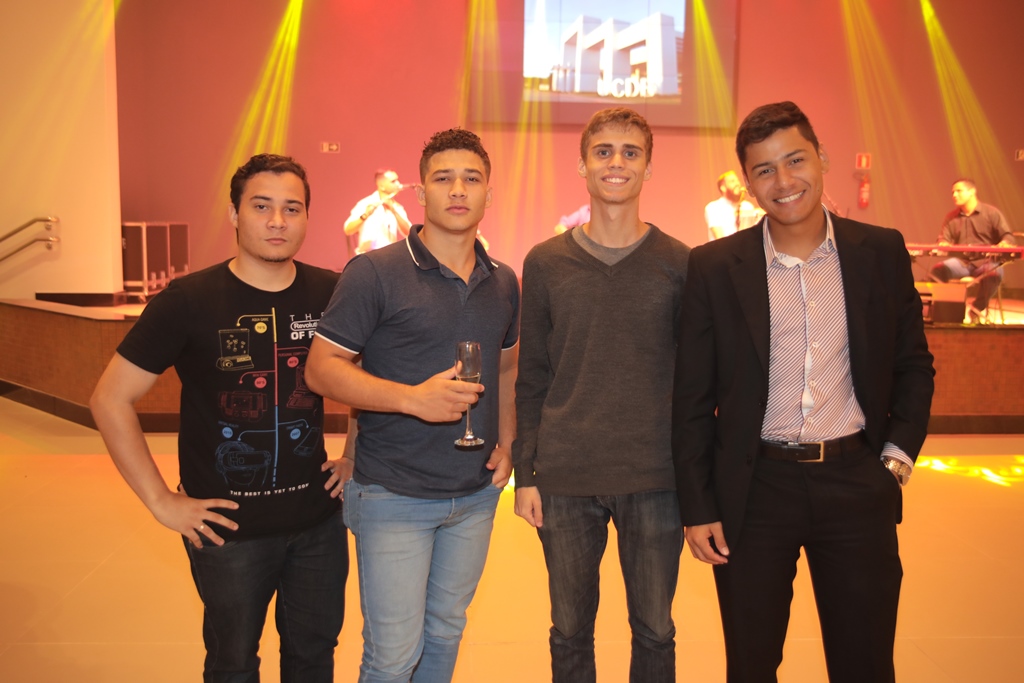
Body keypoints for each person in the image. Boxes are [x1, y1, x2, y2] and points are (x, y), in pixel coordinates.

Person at [672, 101, 935, 683]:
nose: (784, 181)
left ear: (822, 159)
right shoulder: (715, 266)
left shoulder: (880, 251)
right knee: (751, 665)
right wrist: (700, 505)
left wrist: (894, 460)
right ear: (748, 183)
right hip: (755, 491)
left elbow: (913, 364)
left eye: (795, 160)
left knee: (865, 663)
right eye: (764, 169)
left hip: (856, 482)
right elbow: (690, 398)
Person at [89, 153, 349, 682]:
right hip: (228, 531)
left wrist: (356, 454)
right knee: (232, 665)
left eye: (292, 208)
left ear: (307, 217)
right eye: (261, 206)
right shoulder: (189, 300)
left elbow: (368, 373)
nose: (277, 221)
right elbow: (109, 399)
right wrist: (160, 500)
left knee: (313, 660)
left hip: (318, 525)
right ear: (234, 214)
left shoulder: (332, 293)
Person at [305, 128, 519, 682]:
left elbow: (507, 368)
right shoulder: (374, 272)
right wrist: (411, 400)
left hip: (475, 496)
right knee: (394, 655)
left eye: (471, 178)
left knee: (445, 632)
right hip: (393, 494)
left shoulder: (503, 282)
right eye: (443, 178)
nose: (458, 190)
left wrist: (509, 443)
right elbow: (322, 368)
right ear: (421, 193)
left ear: (488, 193)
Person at [513, 107, 690, 683]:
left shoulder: (680, 263)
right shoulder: (545, 262)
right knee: (569, 631)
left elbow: (695, 383)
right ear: (583, 165)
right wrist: (526, 473)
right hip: (566, 476)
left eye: (630, 152)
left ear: (648, 168)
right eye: (604, 151)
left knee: (655, 631)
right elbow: (532, 376)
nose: (617, 162)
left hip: (655, 476)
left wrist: (698, 478)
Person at [929, 178, 1015, 322]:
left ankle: (976, 309)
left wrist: (1005, 243)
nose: (954, 195)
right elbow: (943, 239)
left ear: (972, 192)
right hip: (961, 263)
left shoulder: (992, 213)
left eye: (959, 191)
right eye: (953, 192)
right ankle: (945, 311)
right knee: (937, 270)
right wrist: (943, 243)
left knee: (995, 273)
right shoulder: (951, 217)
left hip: (985, 262)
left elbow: (1007, 236)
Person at [344, 168, 413, 255]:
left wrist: (393, 211)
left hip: (389, 257)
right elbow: (348, 229)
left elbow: (409, 232)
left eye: (397, 180)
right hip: (368, 257)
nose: (398, 184)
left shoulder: (397, 207)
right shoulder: (365, 203)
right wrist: (365, 215)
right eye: (393, 181)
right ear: (382, 186)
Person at [704, 169, 764, 241]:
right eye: (732, 181)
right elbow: (719, 237)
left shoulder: (747, 206)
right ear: (723, 188)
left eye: (737, 181)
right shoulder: (714, 207)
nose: (737, 184)